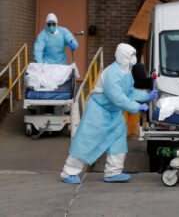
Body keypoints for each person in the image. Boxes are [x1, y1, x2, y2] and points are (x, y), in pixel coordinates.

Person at [61, 43, 158, 184]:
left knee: (118, 141)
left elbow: (129, 92)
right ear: (123, 56)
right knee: (86, 141)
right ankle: (68, 173)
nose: (134, 58)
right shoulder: (113, 72)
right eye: (131, 55)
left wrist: (146, 96)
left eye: (134, 55)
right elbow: (116, 97)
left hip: (114, 113)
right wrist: (136, 107)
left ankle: (113, 172)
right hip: (98, 111)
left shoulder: (127, 72)